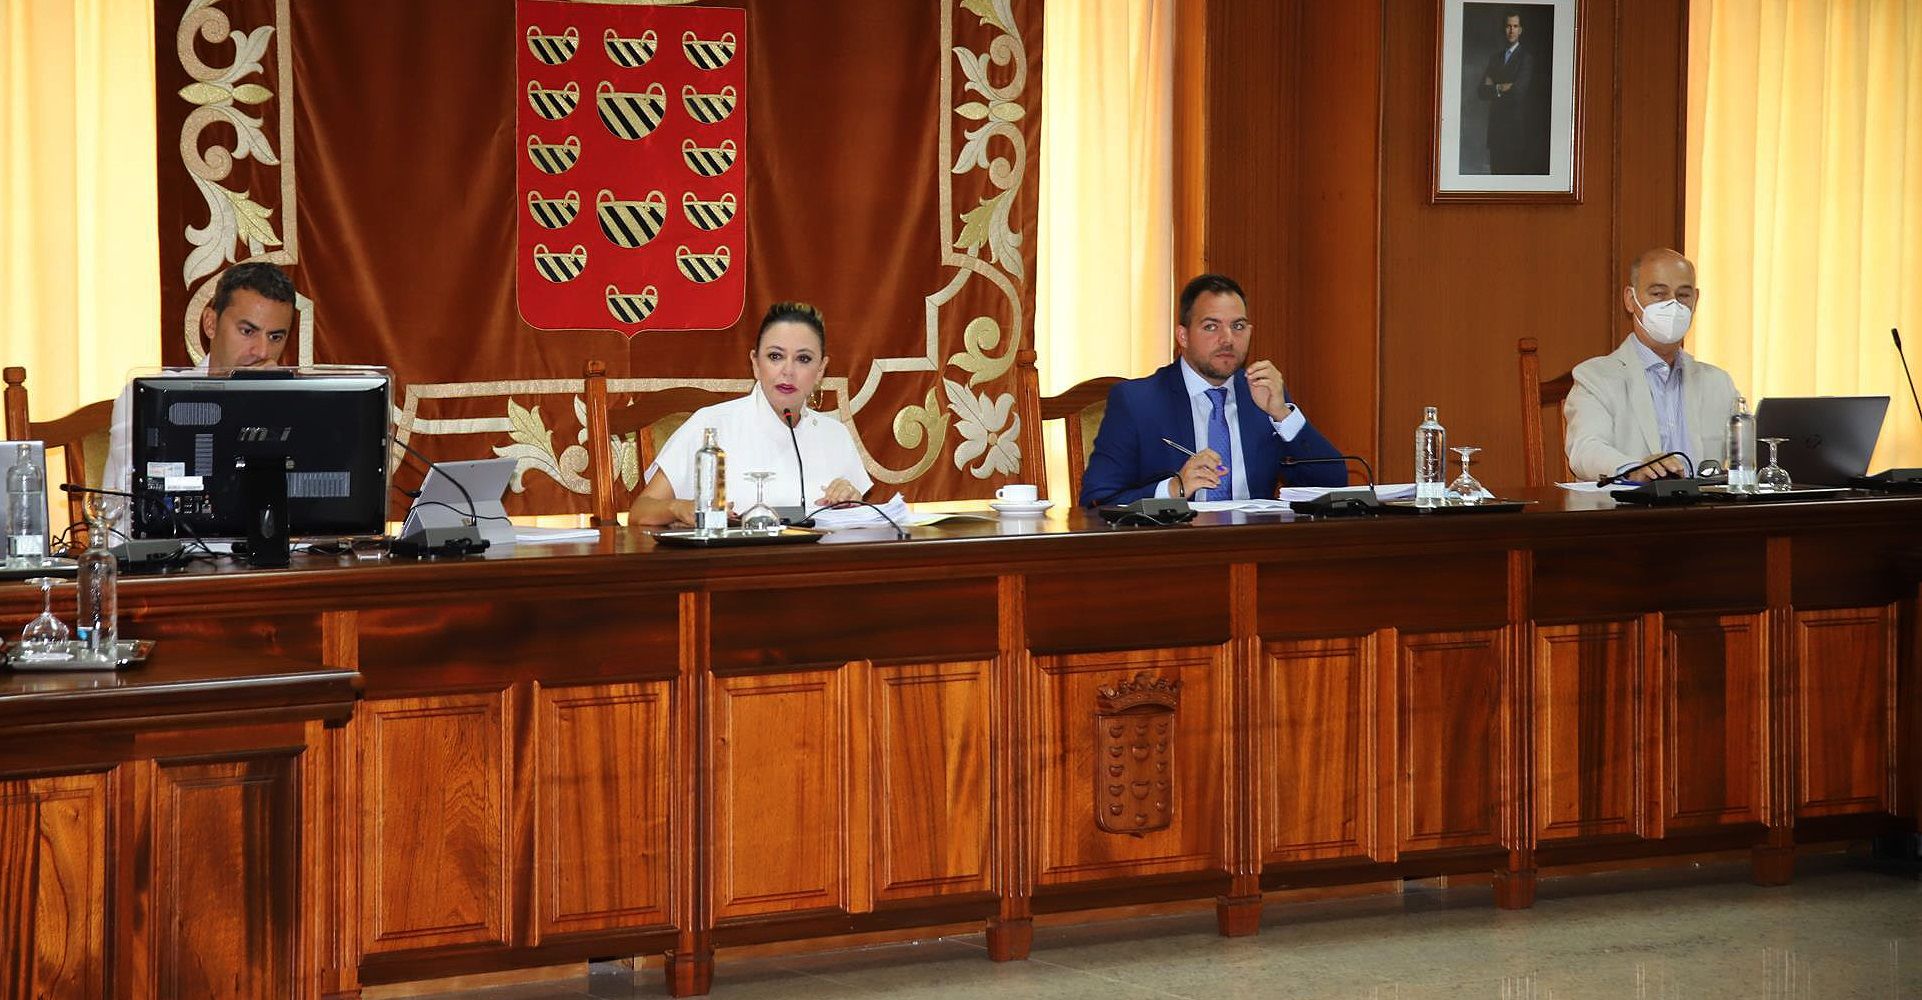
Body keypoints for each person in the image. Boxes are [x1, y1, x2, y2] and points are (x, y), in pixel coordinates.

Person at [1078, 274, 1346, 507]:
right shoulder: (1138, 402)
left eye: (1238, 326)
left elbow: (1333, 485)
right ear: (1183, 336)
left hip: (1255, 550)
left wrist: (1283, 416)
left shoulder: (1263, 396)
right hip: (1177, 551)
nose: (1228, 339)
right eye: (1211, 326)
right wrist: (1174, 489)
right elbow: (1096, 501)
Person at [628, 301, 872, 526]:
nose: (788, 371)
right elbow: (640, 512)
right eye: (775, 356)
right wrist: (678, 507)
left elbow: (862, 527)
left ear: (820, 370)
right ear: (755, 363)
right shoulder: (710, 426)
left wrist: (852, 500)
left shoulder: (835, 435)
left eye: (803, 359)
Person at [101, 261, 298, 494]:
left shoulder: (294, 406)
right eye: (248, 331)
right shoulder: (151, 398)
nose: (262, 351)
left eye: (275, 337)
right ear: (211, 324)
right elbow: (139, 495)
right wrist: (243, 405)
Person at [1563, 248, 1742, 482]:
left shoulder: (1719, 382)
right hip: (1630, 514)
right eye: (1658, 294)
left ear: (1695, 300)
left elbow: (1746, 457)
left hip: (1703, 513)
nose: (1673, 305)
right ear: (1631, 299)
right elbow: (1586, 450)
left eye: (1683, 295)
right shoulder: (1595, 377)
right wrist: (1633, 468)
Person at [1477, 11, 1535, 174]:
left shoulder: (1526, 58)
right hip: (1496, 132)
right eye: (1508, 26)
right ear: (1504, 29)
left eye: (1515, 26)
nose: (1511, 30)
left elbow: (1518, 93)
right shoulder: (1495, 58)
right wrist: (1502, 87)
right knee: (1496, 181)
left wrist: (1494, 86)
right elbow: (1481, 91)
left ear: (1520, 30)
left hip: (1514, 132)